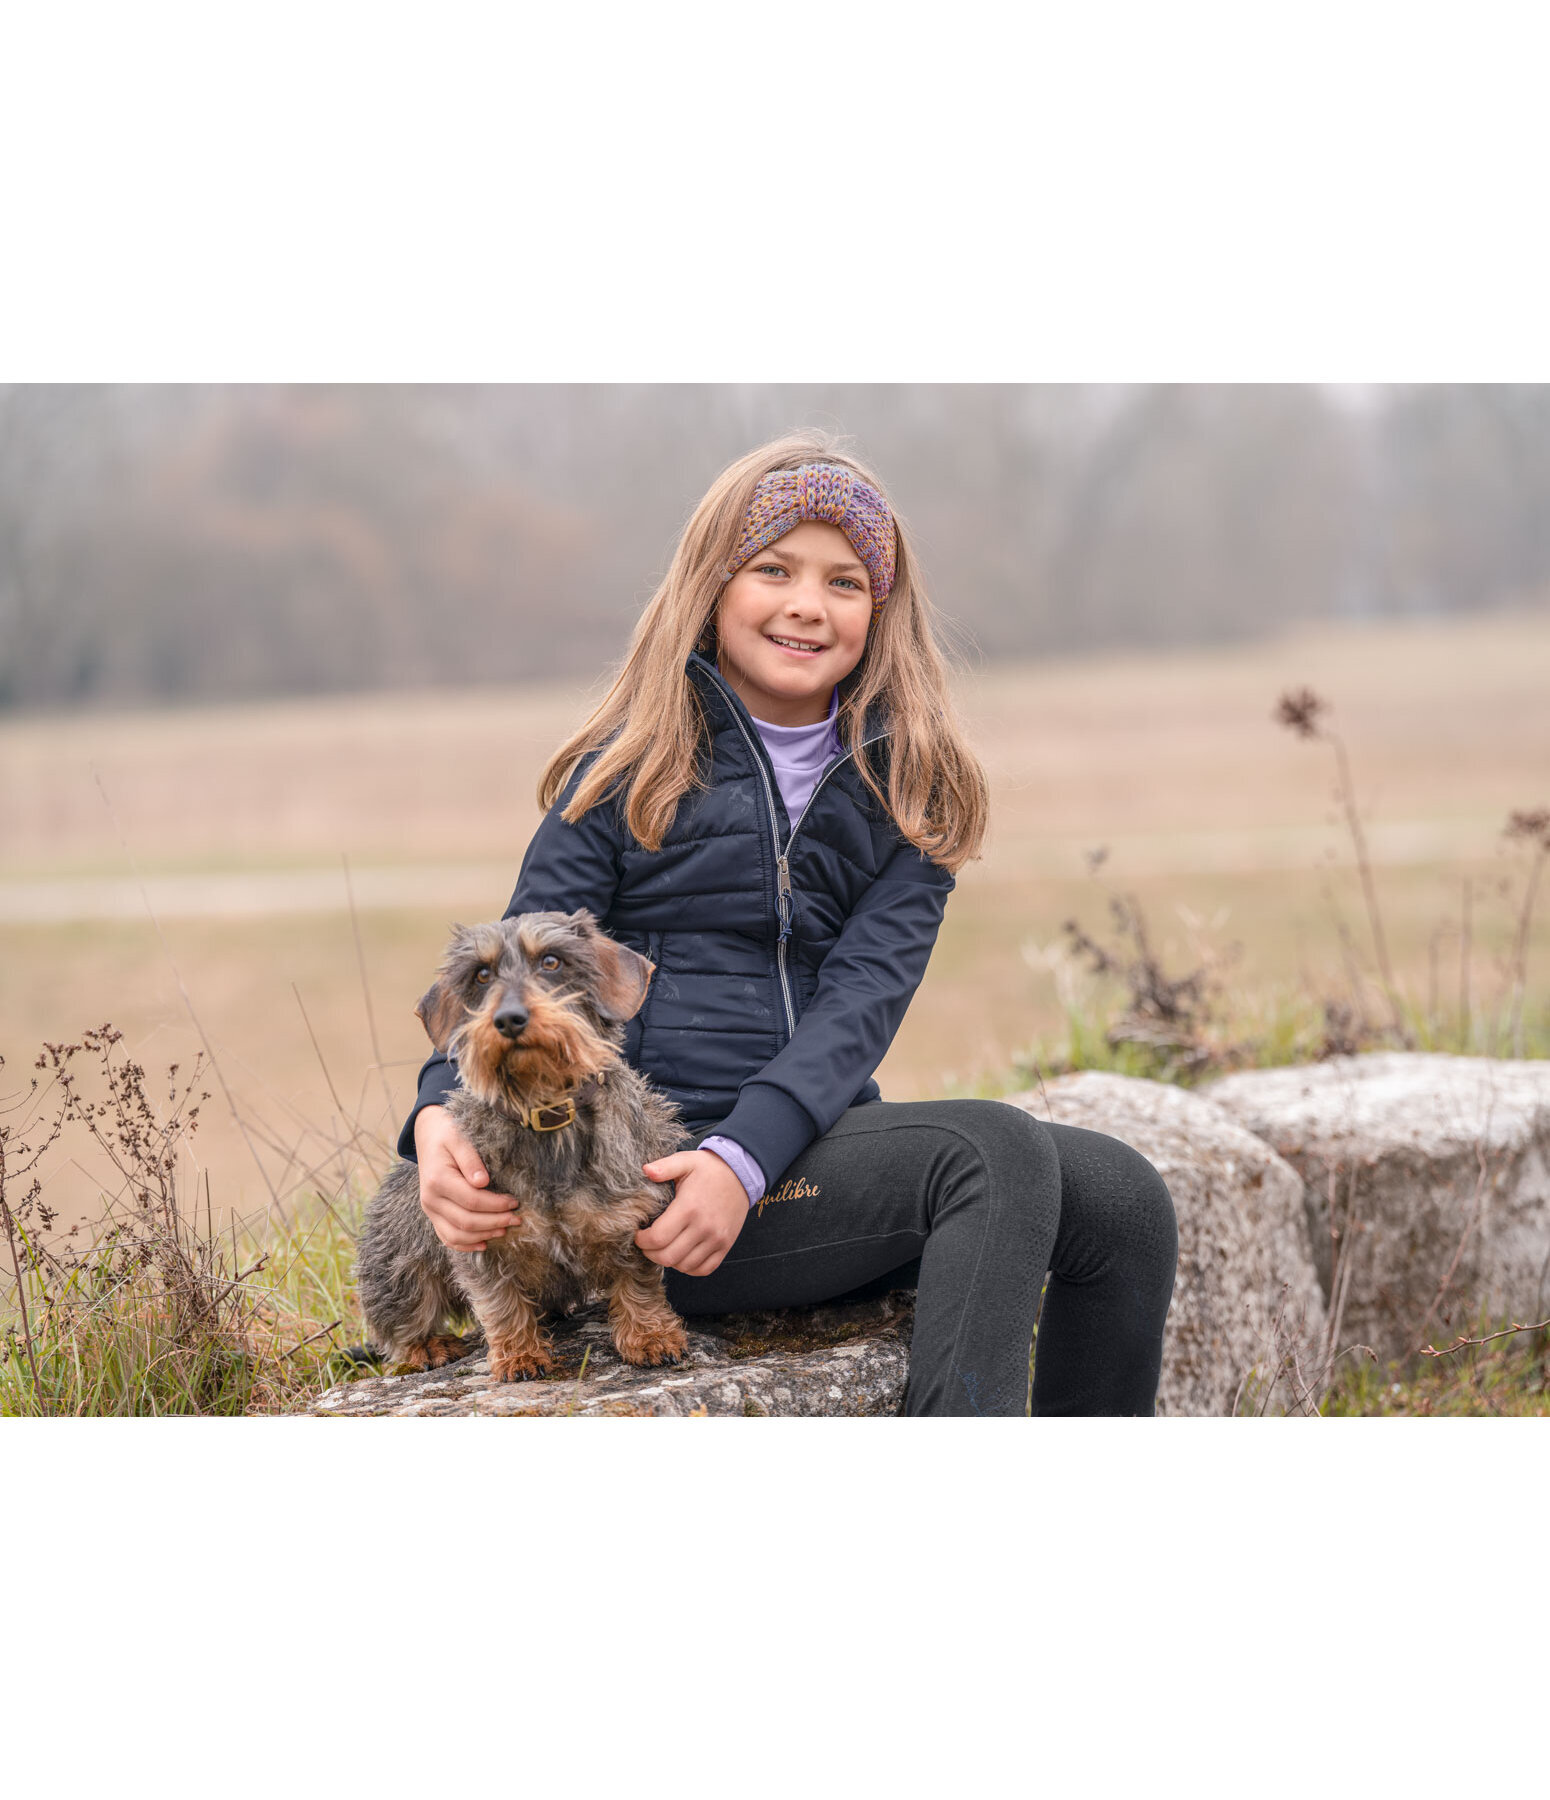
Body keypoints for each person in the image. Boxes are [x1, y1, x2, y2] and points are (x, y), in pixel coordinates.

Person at [397, 431, 1178, 1416]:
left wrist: (744, 1159)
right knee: (990, 1150)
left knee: (1123, 1201)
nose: (807, 603)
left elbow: (859, 1005)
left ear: (879, 612)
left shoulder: (912, 793)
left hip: (789, 1162)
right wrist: (432, 1120)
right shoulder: (623, 768)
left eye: (845, 582)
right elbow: (505, 969)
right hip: (643, 1190)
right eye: (773, 569)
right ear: (712, 587)